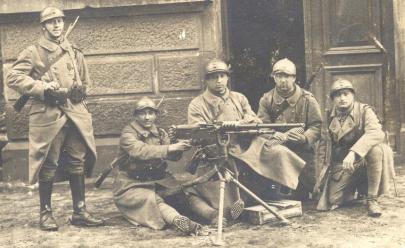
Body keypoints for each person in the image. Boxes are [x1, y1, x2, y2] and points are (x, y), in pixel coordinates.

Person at [6, 7, 103, 231]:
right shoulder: (34, 52)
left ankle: (79, 211)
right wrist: (41, 87)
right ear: (43, 27)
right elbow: (13, 77)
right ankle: (45, 213)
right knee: (48, 163)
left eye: (59, 21)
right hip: (49, 115)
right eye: (51, 22)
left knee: (77, 160)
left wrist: (81, 90)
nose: (57, 25)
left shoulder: (74, 51)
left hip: (75, 112)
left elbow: (87, 81)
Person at [186, 58, 267, 225]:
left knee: (274, 157)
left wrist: (250, 121)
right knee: (218, 204)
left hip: (243, 151)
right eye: (213, 77)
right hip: (214, 156)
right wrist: (216, 128)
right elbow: (197, 134)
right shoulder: (197, 104)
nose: (218, 81)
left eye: (222, 76)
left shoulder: (239, 98)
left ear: (227, 78)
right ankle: (217, 213)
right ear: (206, 80)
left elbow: (254, 118)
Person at [112, 97, 204, 235]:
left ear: (156, 115)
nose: (147, 117)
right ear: (136, 115)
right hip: (132, 184)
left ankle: (212, 215)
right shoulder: (128, 133)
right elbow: (140, 151)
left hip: (159, 180)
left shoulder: (160, 133)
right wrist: (171, 147)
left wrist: (181, 143)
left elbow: (173, 157)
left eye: (151, 113)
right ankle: (178, 220)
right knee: (152, 200)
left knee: (186, 194)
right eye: (143, 113)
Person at [316, 79, 395, 217]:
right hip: (343, 166)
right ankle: (357, 188)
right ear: (332, 99)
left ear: (353, 95)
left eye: (346, 94)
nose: (342, 98)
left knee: (376, 150)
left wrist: (354, 152)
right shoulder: (329, 116)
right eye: (338, 95)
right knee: (334, 199)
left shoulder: (364, 111)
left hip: (364, 160)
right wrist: (320, 180)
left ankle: (372, 198)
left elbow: (376, 132)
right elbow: (323, 147)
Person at [256, 58, 323, 200]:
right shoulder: (266, 100)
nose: (283, 80)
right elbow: (262, 127)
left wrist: (305, 138)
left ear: (294, 78)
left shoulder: (307, 100)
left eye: (287, 76)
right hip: (277, 151)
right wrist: (275, 134)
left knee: (309, 192)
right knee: (278, 195)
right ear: (274, 78)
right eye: (279, 76)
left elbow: (316, 126)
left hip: (303, 152)